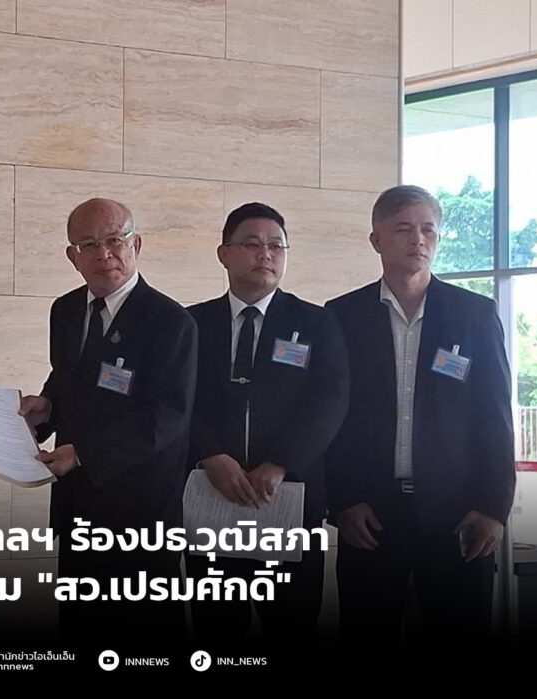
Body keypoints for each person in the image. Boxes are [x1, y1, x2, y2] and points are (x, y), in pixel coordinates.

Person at [326, 185, 515, 656]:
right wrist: (342, 500)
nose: (418, 240)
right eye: (404, 229)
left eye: (428, 229)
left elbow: (494, 416)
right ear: (377, 239)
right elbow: (332, 418)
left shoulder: (474, 315)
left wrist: (493, 507)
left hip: (458, 515)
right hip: (370, 515)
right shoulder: (342, 316)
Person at [20, 197, 197, 645]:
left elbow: (168, 415)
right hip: (78, 506)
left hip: (141, 512)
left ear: (136, 244)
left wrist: (83, 453)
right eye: (88, 244)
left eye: (115, 240)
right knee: (81, 630)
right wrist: (45, 407)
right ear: (72, 256)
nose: (104, 253)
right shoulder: (65, 310)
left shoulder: (171, 321)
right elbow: (67, 380)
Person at [185, 202, 349, 657]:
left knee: (293, 631)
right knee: (216, 633)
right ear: (224, 254)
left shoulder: (315, 322)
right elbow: (178, 401)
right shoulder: (192, 324)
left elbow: (330, 401)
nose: (266, 254)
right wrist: (210, 455)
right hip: (211, 499)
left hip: (286, 502)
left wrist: (281, 463)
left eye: (277, 246)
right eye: (253, 244)